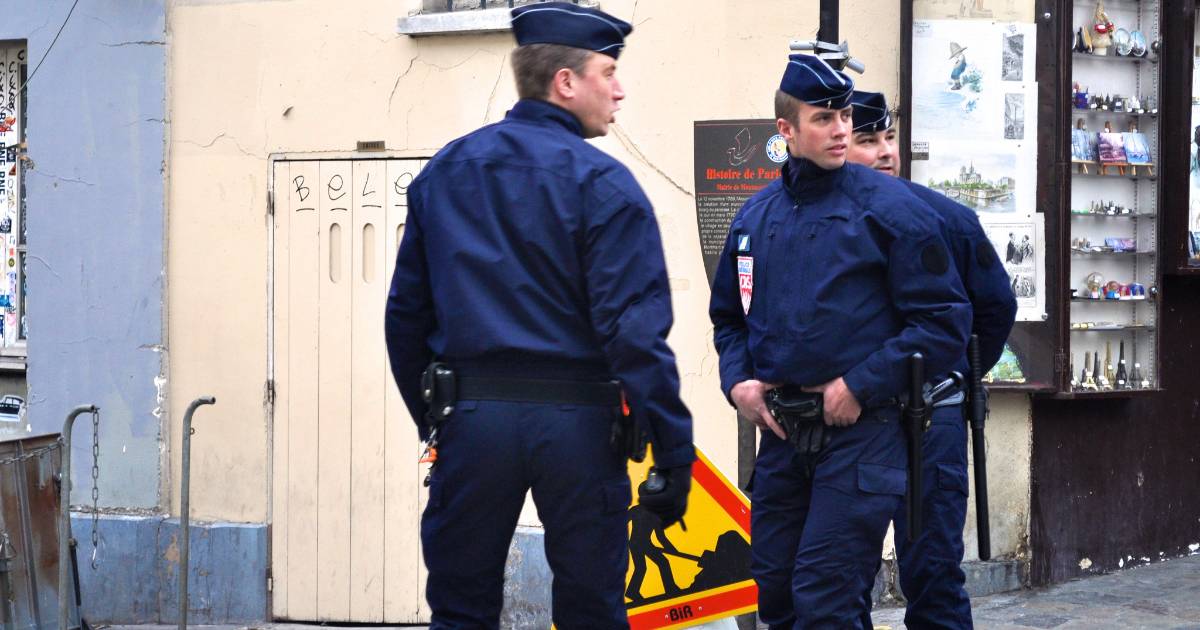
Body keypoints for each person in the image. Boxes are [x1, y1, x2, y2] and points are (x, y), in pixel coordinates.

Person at [384, 3, 694, 627]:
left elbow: (406, 317)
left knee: (460, 609)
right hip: (579, 427)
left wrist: (439, 418)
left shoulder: (446, 172)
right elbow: (635, 333)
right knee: (591, 609)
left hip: (473, 419)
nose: (619, 90)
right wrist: (672, 449)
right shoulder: (605, 185)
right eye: (609, 72)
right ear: (565, 82)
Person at [709, 55, 972, 629]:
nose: (841, 130)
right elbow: (729, 317)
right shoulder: (756, 216)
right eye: (823, 118)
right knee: (776, 589)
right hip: (783, 432)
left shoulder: (892, 211)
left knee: (826, 595)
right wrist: (739, 384)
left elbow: (944, 321)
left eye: (845, 117)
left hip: (863, 431)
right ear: (786, 129)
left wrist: (860, 382)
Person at [848, 89, 1018, 630]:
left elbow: (995, 307)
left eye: (889, 137)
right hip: (854, 417)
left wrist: (955, 376)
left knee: (933, 570)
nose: (885, 151)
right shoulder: (825, 223)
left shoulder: (947, 218)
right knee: (844, 575)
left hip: (931, 415)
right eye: (868, 140)